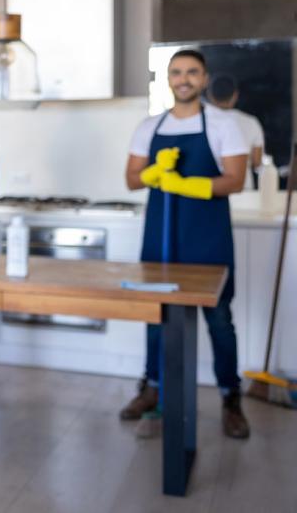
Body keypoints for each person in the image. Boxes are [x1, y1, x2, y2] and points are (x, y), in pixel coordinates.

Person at [123, 50, 250, 439]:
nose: (184, 79)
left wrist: (185, 184)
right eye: (176, 72)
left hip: (207, 238)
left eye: (192, 72)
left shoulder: (224, 125)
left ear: (204, 77)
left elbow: (236, 180)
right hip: (160, 238)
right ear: (168, 79)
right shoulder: (149, 126)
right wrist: (155, 173)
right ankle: (153, 388)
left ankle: (230, 397)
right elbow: (131, 180)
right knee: (156, 317)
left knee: (219, 319)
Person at [208, 73, 265, 190]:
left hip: (211, 189)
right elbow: (257, 162)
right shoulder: (251, 122)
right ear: (235, 95)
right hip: (244, 191)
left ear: (209, 95)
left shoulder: (198, 121)